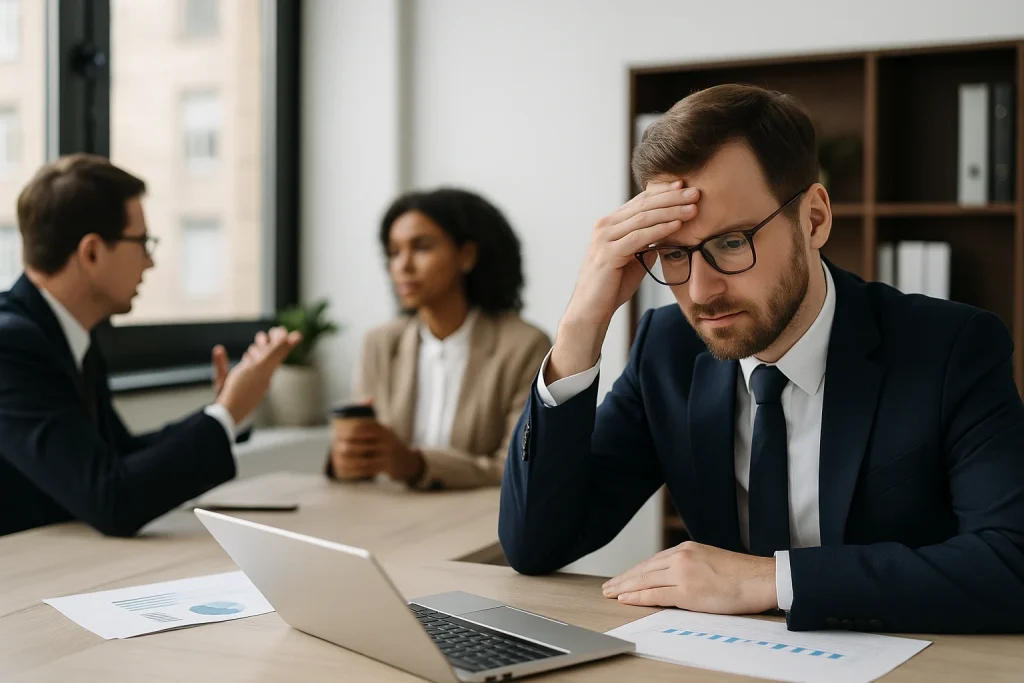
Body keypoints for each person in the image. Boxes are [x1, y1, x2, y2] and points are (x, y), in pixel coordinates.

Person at [497, 84, 1024, 634]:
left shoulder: (950, 347)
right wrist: (582, 323)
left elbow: (1012, 562)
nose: (701, 291)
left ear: (814, 220)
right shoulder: (668, 350)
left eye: (730, 243)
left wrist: (771, 580)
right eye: (675, 254)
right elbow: (537, 544)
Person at [0, 154, 301, 537]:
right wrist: (226, 413)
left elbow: (118, 455)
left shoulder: (69, 334)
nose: (150, 263)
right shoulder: (10, 345)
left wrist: (223, 410)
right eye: (142, 243)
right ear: (91, 253)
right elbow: (113, 499)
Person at [326, 188, 551, 490]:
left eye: (421, 247)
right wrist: (347, 459)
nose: (403, 266)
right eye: (394, 252)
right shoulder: (379, 343)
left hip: (480, 527)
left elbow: (518, 467)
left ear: (466, 255)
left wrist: (416, 464)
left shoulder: (524, 346)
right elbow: (367, 461)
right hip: (387, 521)